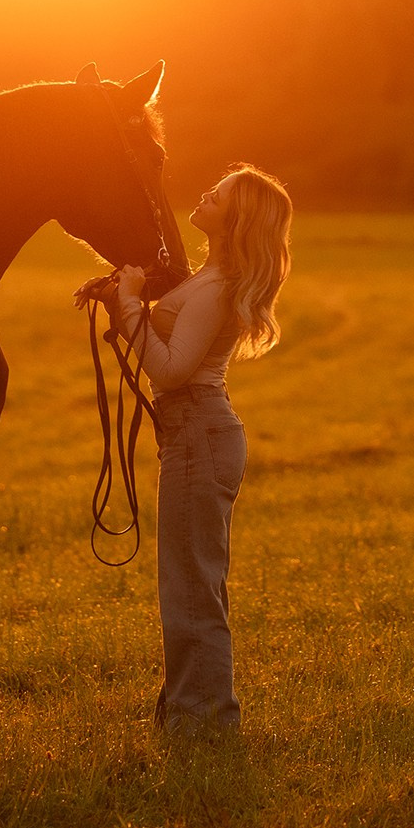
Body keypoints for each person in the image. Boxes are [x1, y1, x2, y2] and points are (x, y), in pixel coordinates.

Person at [109, 162, 292, 733]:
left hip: (197, 430)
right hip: (196, 434)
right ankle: (191, 710)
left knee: (190, 586)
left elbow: (171, 371)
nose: (205, 194)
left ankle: (205, 722)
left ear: (234, 219)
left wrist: (130, 306)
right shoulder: (206, 277)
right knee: (194, 582)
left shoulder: (216, 288)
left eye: (218, 195)